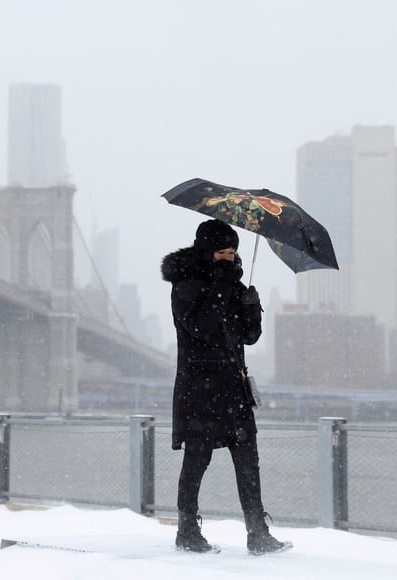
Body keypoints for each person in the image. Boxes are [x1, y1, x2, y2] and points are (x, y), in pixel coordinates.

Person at [161, 219, 292, 555]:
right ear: (206, 251)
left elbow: (248, 337)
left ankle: (258, 533)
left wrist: (252, 308)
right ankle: (187, 531)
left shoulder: (234, 286)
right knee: (197, 460)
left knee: (248, 461)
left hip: (233, 389)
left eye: (233, 252)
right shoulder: (185, 285)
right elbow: (200, 328)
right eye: (221, 252)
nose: (228, 258)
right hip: (199, 389)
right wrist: (220, 287)